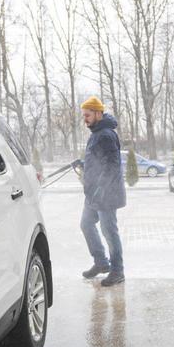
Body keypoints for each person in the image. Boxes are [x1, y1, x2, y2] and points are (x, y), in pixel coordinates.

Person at [72, 96, 125, 286]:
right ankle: (101, 262)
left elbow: (112, 166)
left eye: (87, 115)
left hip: (106, 194)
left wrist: (101, 189)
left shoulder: (106, 135)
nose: (85, 118)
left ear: (98, 113)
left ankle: (117, 271)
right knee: (86, 224)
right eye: (83, 115)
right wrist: (84, 164)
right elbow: (98, 162)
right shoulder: (96, 133)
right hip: (94, 193)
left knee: (109, 231)